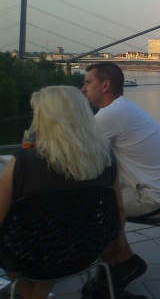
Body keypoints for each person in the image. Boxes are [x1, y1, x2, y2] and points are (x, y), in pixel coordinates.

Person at [0, 86, 126, 299]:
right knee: (57, 238)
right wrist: (118, 241)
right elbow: (118, 209)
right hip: (81, 251)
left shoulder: (22, 162)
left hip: (25, 255)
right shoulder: (106, 158)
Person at [82, 62, 160, 288]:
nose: (83, 88)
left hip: (153, 198)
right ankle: (122, 263)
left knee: (90, 211)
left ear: (105, 85)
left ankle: (110, 273)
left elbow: (79, 156)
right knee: (103, 202)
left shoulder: (110, 115)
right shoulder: (124, 108)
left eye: (87, 82)